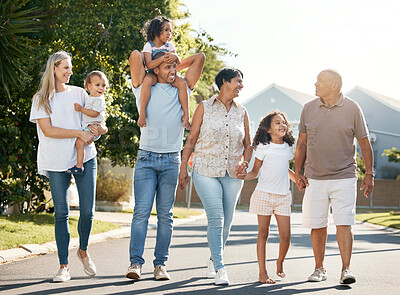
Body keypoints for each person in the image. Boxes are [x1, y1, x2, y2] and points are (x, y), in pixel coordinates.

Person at [126, 48, 205, 281]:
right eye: (167, 67)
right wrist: (157, 64)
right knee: (141, 213)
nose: (172, 71)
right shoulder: (143, 86)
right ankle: (135, 263)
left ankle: (160, 264)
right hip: (146, 159)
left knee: (165, 215)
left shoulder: (182, 87)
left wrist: (173, 65)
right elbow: (135, 56)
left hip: (171, 159)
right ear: (156, 68)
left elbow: (199, 58)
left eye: (174, 67)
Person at [29, 51, 107, 282]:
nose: (69, 71)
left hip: (85, 157)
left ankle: (83, 250)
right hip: (55, 160)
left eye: (70, 67)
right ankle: (64, 266)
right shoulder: (41, 99)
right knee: (61, 213)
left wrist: (100, 130)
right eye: (65, 67)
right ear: (54, 68)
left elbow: (97, 120)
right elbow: (49, 131)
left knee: (88, 212)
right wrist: (78, 133)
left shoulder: (80, 93)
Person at [295, 69, 374, 285]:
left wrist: (369, 173)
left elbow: (364, 142)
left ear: (334, 85)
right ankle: (319, 268)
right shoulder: (308, 108)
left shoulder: (352, 108)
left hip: (345, 175)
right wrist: (299, 172)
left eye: (320, 81)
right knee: (317, 224)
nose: (315, 84)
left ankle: (345, 269)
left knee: (344, 223)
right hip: (315, 178)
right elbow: (301, 143)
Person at [178, 67, 252, 285]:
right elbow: (191, 139)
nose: (241, 85)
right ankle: (220, 267)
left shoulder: (242, 111)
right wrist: (184, 167)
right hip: (205, 170)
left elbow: (248, 145)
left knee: (227, 222)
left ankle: (213, 257)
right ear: (225, 82)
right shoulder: (204, 107)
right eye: (238, 81)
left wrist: (244, 163)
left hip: (232, 174)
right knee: (216, 218)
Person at [240, 110, 296, 284]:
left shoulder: (288, 148)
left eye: (284, 122)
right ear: (269, 129)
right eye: (277, 123)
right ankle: (262, 273)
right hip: (263, 194)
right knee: (263, 234)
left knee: (286, 236)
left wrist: (298, 179)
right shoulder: (263, 147)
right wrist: (243, 175)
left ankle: (280, 262)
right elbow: (255, 172)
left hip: (283, 196)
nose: (282, 125)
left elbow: (285, 169)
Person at [138, 16, 190, 129]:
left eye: (170, 31)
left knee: (181, 83)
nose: (169, 34)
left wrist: (175, 56)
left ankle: (186, 115)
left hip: (168, 74)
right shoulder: (149, 46)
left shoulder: (170, 46)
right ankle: (142, 113)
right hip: (154, 74)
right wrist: (162, 59)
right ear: (156, 31)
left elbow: (178, 63)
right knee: (147, 80)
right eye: (166, 30)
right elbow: (149, 65)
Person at [67, 70, 108, 174]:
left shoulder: (99, 99)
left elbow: (95, 113)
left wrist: (81, 109)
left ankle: (79, 166)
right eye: (97, 85)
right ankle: (79, 165)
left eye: (103, 85)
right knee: (79, 144)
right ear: (89, 86)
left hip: (93, 128)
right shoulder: (91, 98)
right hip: (90, 126)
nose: (101, 88)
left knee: (79, 143)